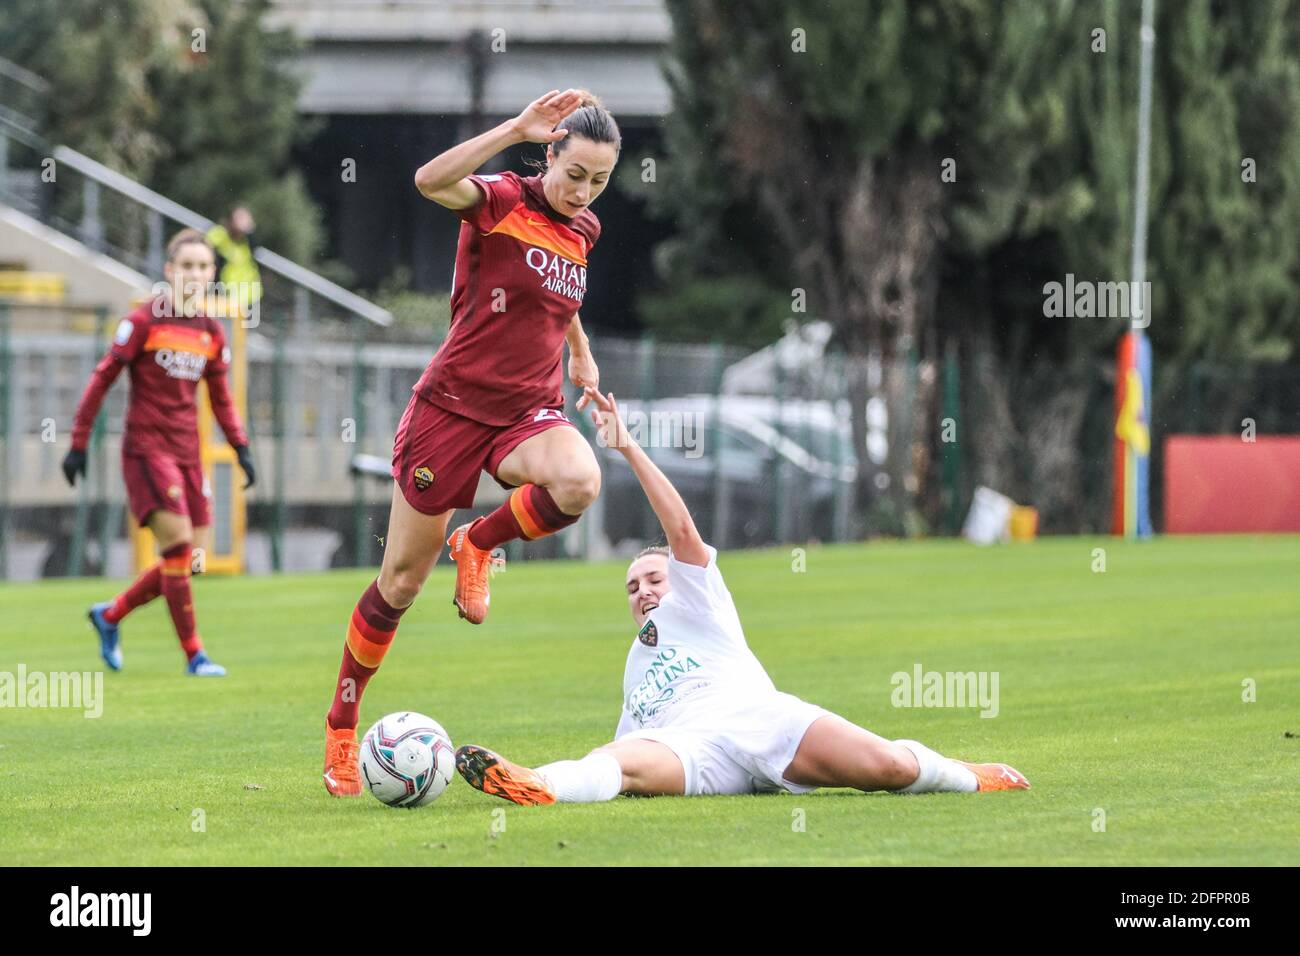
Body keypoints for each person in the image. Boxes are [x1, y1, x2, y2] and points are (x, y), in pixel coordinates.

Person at [453, 387, 1031, 804]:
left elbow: (680, 532)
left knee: (886, 769)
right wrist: (606, 767)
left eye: (653, 578)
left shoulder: (700, 604)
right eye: (632, 587)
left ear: (679, 580)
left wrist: (626, 446)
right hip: (691, 749)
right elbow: (631, 742)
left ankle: (964, 774)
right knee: (618, 763)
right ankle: (538, 783)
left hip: (758, 720)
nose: (643, 590)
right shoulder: (635, 667)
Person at [322, 89, 620, 796]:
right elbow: (428, 180)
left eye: (599, 181)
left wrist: (579, 352)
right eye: (575, 173)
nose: (583, 191)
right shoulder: (498, 200)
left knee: (580, 480)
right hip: (451, 411)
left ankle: (479, 542)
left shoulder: (587, 230)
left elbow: (562, 293)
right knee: (399, 585)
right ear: (550, 153)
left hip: (528, 410)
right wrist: (514, 127)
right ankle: (341, 722)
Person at [65, 228, 256, 677]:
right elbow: (102, 378)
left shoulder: (210, 330)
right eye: (186, 266)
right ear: (170, 272)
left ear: (212, 274)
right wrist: (78, 442)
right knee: (178, 546)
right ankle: (195, 655)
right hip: (147, 451)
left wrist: (240, 447)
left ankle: (110, 615)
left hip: (190, 454)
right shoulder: (145, 321)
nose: (195, 274)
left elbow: (221, 397)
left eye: (203, 266)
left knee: (191, 561)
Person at [205, 205, 262, 315]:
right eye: (239, 218)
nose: (243, 222)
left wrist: (250, 232)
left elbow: (255, 250)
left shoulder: (248, 240)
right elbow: (207, 246)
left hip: (248, 295)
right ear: (231, 220)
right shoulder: (220, 234)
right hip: (222, 293)